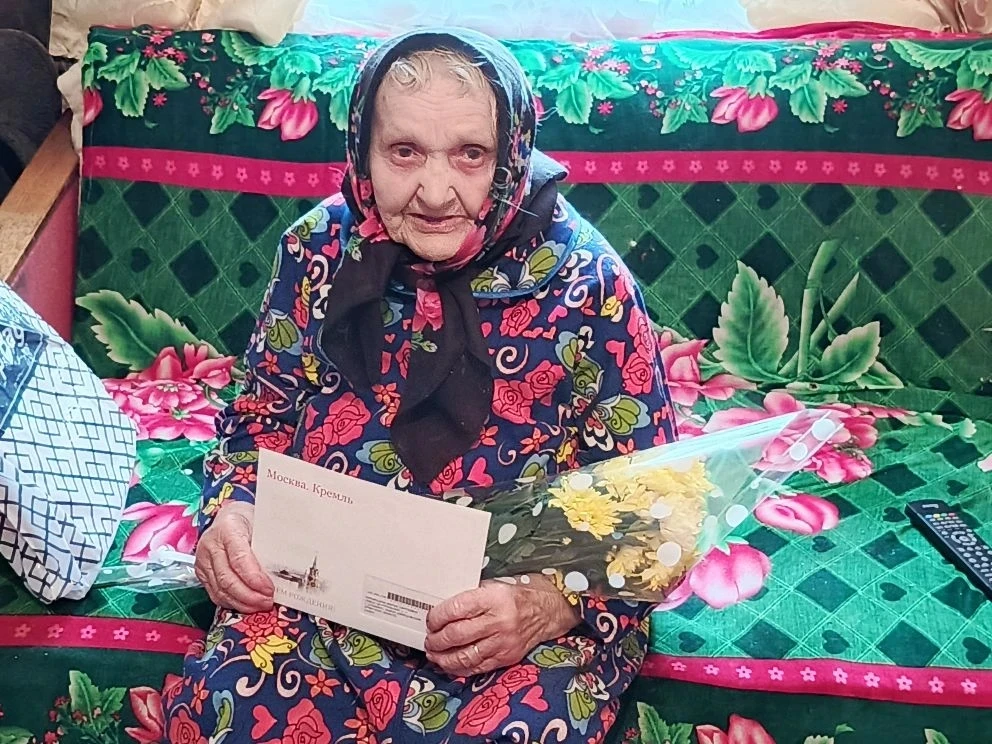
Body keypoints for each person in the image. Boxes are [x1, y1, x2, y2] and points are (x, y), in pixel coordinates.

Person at [166, 28, 677, 744]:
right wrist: (234, 515)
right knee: (231, 713)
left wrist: (549, 603)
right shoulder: (317, 251)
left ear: (511, 155)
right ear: (363, 151)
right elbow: (258, 420)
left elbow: (652, 504)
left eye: (471, 155)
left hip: (506, 615)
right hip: (321, 591)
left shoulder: (590, 283)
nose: (436, 193)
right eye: (404, 152)